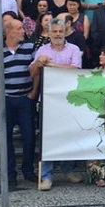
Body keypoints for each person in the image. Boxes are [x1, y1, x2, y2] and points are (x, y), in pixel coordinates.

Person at [31, 18, 84, 189]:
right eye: (54, 31)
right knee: (47, 137)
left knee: (70, 134)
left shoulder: (74, 49)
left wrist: (51, 64)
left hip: (69, 100)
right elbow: (31, 72)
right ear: (49, 33)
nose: (58, 34)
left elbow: (75, 69)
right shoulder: (42, 50)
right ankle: (46, 175)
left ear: (65, 31)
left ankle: (68, 170)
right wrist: (39, 63)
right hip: (47, 101)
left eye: (61, 31)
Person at [0, 17, 39, 188]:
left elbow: (37, 71)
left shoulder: (30, 48)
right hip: (6, 100)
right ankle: (10, 173)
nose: (23, 31)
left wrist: (33, 92)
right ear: (8, 31)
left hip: (25, 98)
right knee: (5, 138)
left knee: (29, 136)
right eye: (18, 28)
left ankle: (28, 169)